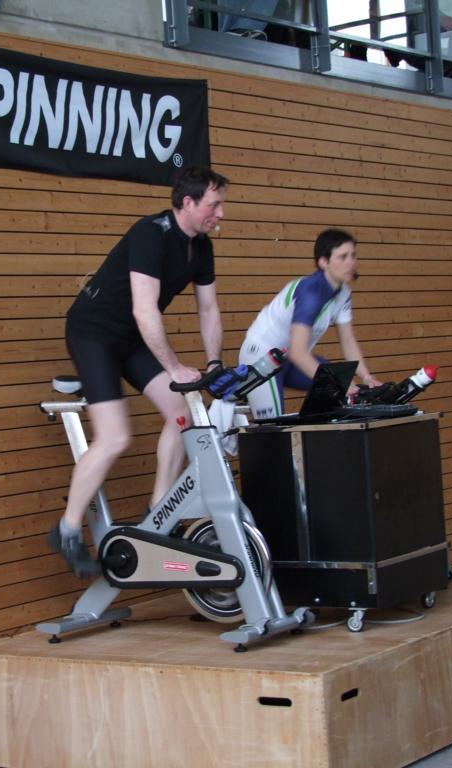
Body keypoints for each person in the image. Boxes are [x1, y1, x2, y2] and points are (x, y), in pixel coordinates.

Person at [48, 167, 228, 576]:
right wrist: (174, 367)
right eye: (214, 205)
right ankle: (67, 530)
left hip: (131, 339)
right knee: (115, 437)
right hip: (94, 334)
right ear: (188, 203)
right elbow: (144, 310)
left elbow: (209, 309)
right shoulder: (151, 233)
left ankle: (158, 515)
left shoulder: (201, 248)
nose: (221, 214)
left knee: (183, 412)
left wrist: (214, 362)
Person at [238, 228, 381, 420]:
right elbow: (298, 352)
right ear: (324, 262)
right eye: (343, 257)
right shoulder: (310, 293)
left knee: (342, 382)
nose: (351, 262)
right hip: (262, 357)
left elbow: (348, 340)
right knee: (272, 428)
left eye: (353, 255)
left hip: (287, 360)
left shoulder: (343, 293)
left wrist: (366, 376)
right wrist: (336, 384)